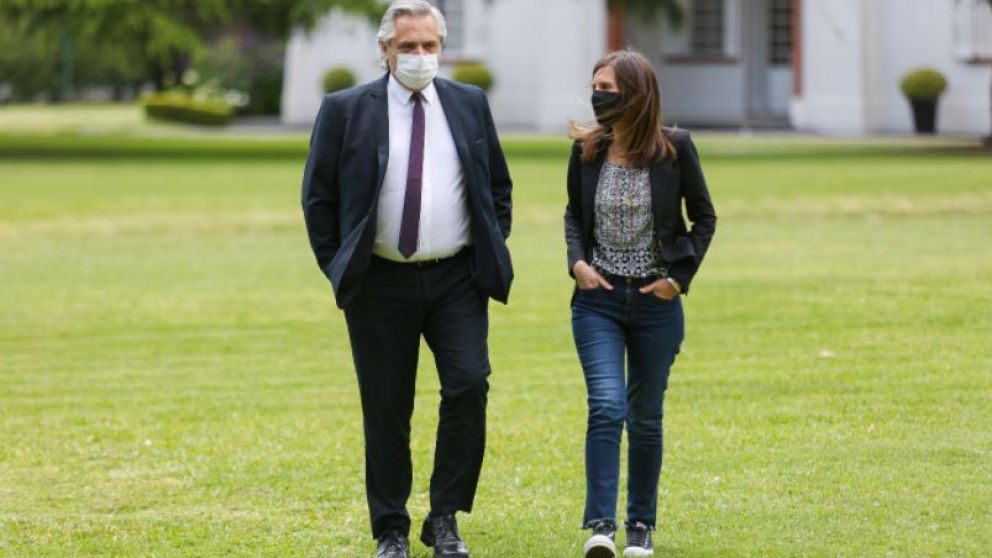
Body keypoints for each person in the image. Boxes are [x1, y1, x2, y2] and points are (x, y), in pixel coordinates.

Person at [300, 1, 513, 556]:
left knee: (469, 386)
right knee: (387, 406)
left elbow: (497, 188)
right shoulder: (346, 109)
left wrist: (484, 247)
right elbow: (319, 199)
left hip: (456, 281)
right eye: (409, 47)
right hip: (379, 285)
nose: (421, 56)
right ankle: (390, 528)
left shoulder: (469, 104)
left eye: (430, 46)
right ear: (385, 50)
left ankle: (444, 517)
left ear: (441, 48)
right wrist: (341, 266)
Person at [564, 50, 716, 558]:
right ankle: (601, 527)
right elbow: (573, 215)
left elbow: (704, 217)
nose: (598, 95)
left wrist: (678, 278)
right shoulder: (587, 149)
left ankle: (641, 528)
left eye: (608, 87)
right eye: (595, 86)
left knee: (645, 416)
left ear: (637, 93)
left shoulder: (675, 148)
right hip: (598, 301)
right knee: (606, 406)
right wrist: (577, 262)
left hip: (655, 304)